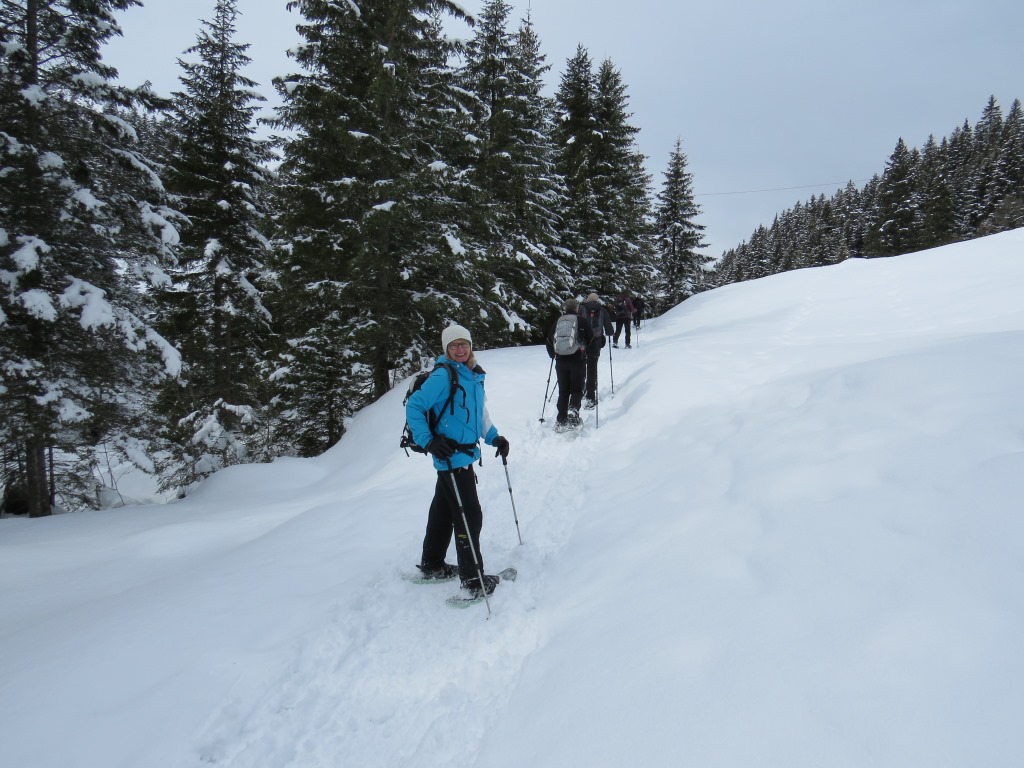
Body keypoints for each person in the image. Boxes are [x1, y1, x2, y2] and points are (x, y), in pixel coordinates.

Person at [405, 324, 511, 598]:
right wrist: (428, 441)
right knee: (469, 516)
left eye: (464, 344)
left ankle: (432, 564)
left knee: (443, 512)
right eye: (454, 346)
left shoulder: (472, 375)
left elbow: (478, 413)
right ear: (446, 349)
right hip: (451, 458)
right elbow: (414, 406)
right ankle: (473, 581)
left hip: (462, 455)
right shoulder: (444, 376)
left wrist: (494, 437)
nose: (460, 349)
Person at [545, 298, 594, 430]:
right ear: (577, 308)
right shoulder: (582, 320)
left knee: (563, 390)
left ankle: (561, 419)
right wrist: (588, 350)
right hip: (577, 359)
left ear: (565, 309)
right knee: (577, 388)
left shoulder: (559, 321)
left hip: (561, 360)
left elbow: (549, 340)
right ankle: (573, 411)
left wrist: (553, 354)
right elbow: (591, 339)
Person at [581, 292, 613, 409]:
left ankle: (581, 389)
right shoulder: (602, 311)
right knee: (592, 367)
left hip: (582, 342)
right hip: (596, 342)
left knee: (581, 365)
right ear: (598, 300)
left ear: (588, 300)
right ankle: (590, 396)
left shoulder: (582, 309)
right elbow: (610, 330)